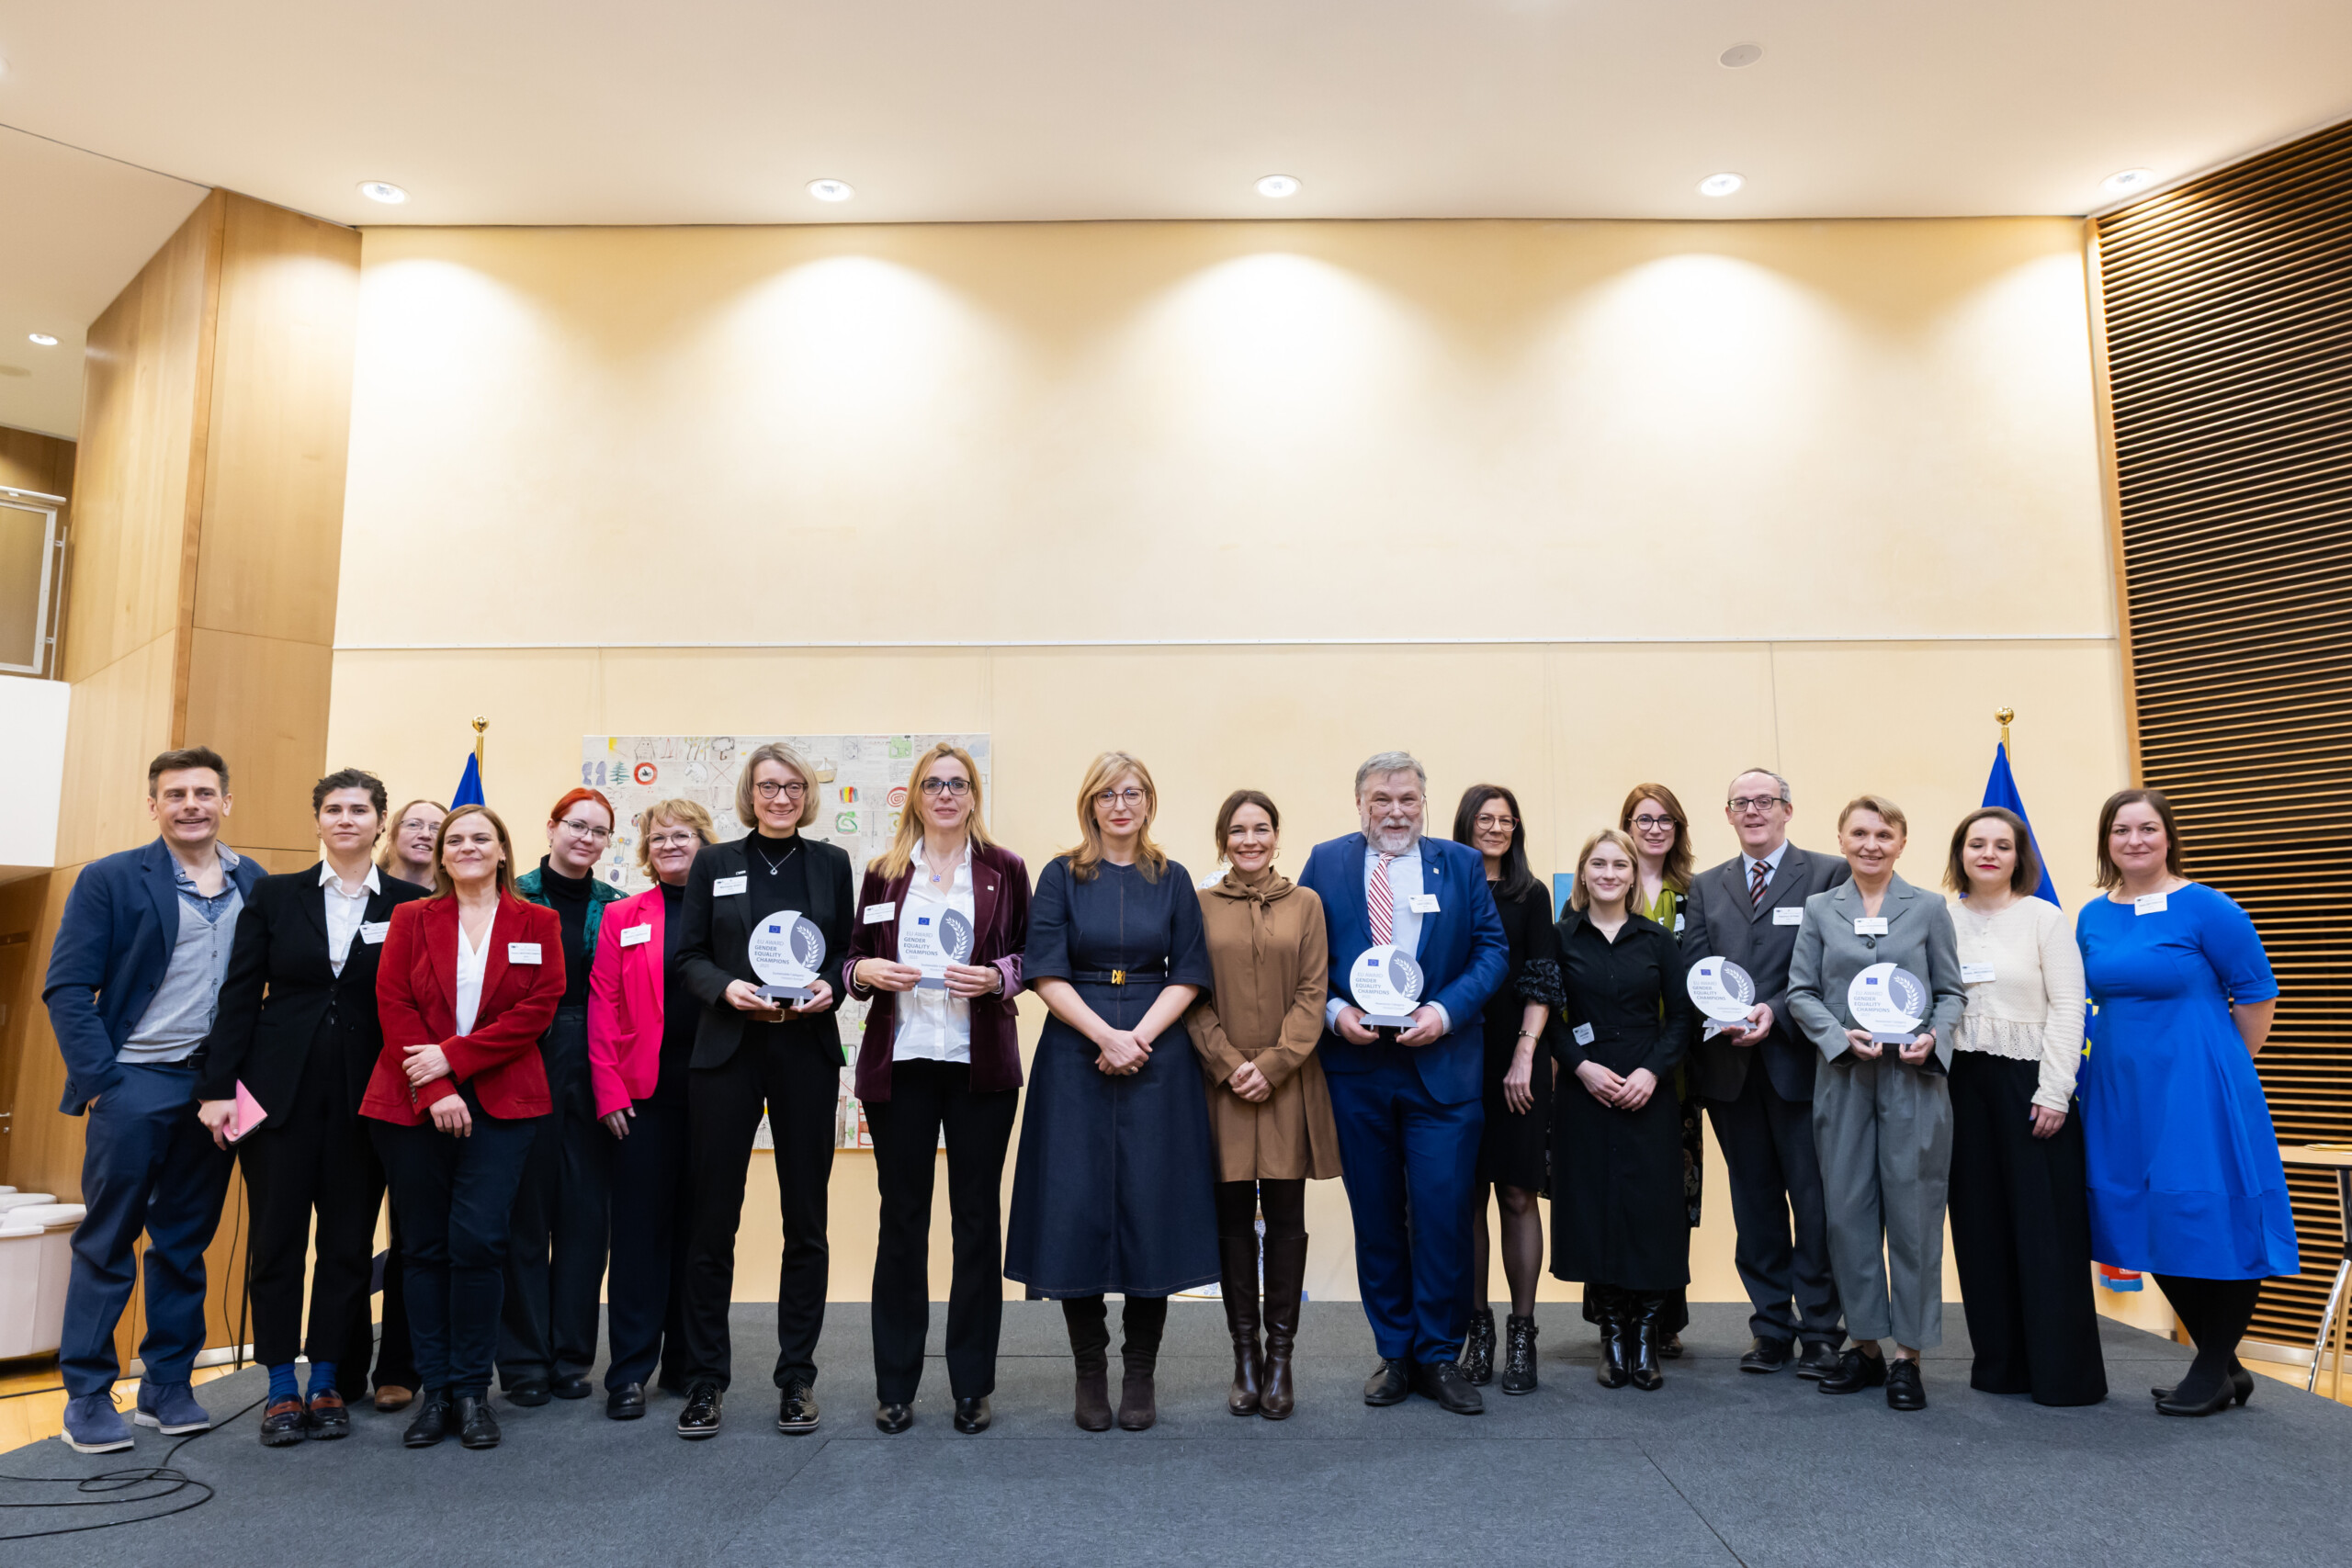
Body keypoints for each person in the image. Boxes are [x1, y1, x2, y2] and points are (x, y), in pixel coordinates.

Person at [196, 768, 430, 1446]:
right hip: (274, 1100)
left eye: (361, 808)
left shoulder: (410, 905)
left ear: (380, 821)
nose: (347, 818)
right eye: (334, 808)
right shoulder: (274, 895)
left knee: (347, 1246)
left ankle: (327, 1379)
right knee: (275, 1242)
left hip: (370, 1101)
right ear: (318, 820)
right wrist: (217, 1092)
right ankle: (278, 1384)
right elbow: (239, 997)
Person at [43, 747, 266, 1454]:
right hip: (133, 1080)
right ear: (154, 806)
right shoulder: (110, 878)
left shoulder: (255, 881)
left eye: (204, 791)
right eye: (175, 794)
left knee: (183, 1242)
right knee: (108, 1241)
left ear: (226, 801)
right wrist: (106, 1080)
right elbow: (68, 987)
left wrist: (234, 1086)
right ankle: (85, 1391)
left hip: (216, 1090)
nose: (191, 803)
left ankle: (166, 1382)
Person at [1006, 752, 1216, 1433]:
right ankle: (1090, 1368)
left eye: (1132, 793)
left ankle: (1141, 1370)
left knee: (1152, 1205)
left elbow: (1187, 971)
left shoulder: (1174, 878)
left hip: (1158, 1050)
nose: (1120, 804)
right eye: (1107, 794)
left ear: (1148, 802)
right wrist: (1105, 1035)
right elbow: (1044, 969)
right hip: (1076, 1048)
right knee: (1075, 1206)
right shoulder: (1060, 875)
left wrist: (1139, 1038)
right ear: (1090, 803)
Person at [1297, 751, 1507, 1417]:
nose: (1395, 811)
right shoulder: (1326, 862)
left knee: (1443, 1217)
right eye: (1382, 798)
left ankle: (1438, 1355)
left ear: (1425, 802)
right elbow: (1304, 957)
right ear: (1361, 803)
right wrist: (1335, 1012)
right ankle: (1393, 1350)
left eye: (1408, 799)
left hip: (1441, 1070)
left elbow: (1492, 950)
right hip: (1358, 1071)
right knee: (1379, 1216)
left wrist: (1443, 1012)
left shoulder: (1460, 863)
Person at [2076, 787, 2294, 1417]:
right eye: (2121, 830)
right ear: (2107, 841)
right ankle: (2223, 1363)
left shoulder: (2210, 908)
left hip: (2198, 1085)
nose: (2135, 840)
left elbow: (2256, 996)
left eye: (2148, 828)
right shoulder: (2093, 915)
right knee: (2142, 1217)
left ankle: (2208, 1365)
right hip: (2119, 1090)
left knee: (2211, 1216)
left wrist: (2223, 1071)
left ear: (2169, 836)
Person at [363, 805, 564, 1450]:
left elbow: (540, 1007)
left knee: (478, 1242)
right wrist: (438, 1084)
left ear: (504, 850)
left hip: (504, 1103)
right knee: (421, 1247)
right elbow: (393, 1003)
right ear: (441, 856)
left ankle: (475, 1391)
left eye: (482, 837)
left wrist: (455, 1056)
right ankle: (438, 1391)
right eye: (456, 840)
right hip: (413, 1102)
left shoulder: (541, 921)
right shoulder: (409, 917)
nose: (468, 847)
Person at [843, 744, 1030, 1437]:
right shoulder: (886, 872)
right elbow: (848, 956)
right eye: (932, 783)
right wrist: (868, 972)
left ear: (974, 795)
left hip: (978, 1064)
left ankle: (972, 1384)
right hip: (904, 1062)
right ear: (915, 796)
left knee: (977, 1223)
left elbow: (1031, 953)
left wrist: (998, 977)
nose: (946, 793)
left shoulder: (1005, 869)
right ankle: (895, 1384)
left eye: (957, 783)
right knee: (902, 1222)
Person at [673, 743, 855, 1440]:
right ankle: (705, 1380)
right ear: (749, 794)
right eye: (767, 786)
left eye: (792, 786)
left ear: (807, 795)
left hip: (805, 1050)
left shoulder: (831, 864)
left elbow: (842, 951)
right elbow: (689, 955)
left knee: (805, 1220)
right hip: (727, 1050)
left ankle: (797, 1377)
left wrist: (829, 985)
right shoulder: (715, 863)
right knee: (712, 1220)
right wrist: (727, 989)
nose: (779, 796)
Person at [1785, 795, 1966, 1411]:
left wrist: (1934, 1036)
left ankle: (1908, 1357)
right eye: (1859, 832)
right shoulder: (1818, 909)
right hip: (1844, 1077)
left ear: (1901, 842)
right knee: (1848, 1214)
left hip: (1913, 1080)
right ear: (1840, 839)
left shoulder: (1929, 908)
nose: (1870, 843)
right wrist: (1839, 1036)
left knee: (1914, 1217)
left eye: (1883, 833)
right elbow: (1800, 991)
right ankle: (1863, 1345)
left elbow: (1950, 992)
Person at [1678, 767, 1849, 1378]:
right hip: (1729, 1070)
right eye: (1741, 802)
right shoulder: (1706, 884)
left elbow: (1835, 964)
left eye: (1764, 801)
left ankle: (1823, 1329)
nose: (1753, 810)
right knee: (1754, 1207)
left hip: (1800, 1065)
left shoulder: (1828, 873)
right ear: (1728, 814)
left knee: (1815, 1203)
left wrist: (1771, 1013)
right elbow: (1695, 963)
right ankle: (1771, 1327)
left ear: (1787, 809)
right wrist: (1720, 1014)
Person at [1942, 807, 2105, 1405]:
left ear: (2018, 855)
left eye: (2001, 845)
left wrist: (2055, 1089)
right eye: (1977, 843)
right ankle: (2000, 1367)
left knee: (2046, 1231)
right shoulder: (1940, 918)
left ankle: (2063, 1375)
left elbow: (2069, 1006)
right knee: (1979, 1226)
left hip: (2032, 1085)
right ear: (1960, 852)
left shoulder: (2044, 918)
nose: (1988, 853)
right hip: (1960, 1083)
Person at [1185, 789, 1339, 1420]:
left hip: (1286, 1082)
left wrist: (1271, 1065)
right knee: (1229, 1224)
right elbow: (1189, 992)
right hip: (1220, 1082)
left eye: (1262, 828)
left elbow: (1314, 992)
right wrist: (1228, 1064)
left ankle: (1281, 1360)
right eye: (1238, 830)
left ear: (1278, 836)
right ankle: (1243, 1358)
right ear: (1223, 839)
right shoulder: (1195, 905)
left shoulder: (1306, 904)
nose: (1250, 839)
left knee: (1285, 1221)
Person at [587, 797, 718, 1420]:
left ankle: (691, 1365)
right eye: (659, 836)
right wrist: (608, 1089)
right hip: (639, 1095)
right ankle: (629, 1369)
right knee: (639, 1233)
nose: (670, 844)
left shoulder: (728, 912)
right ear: (646, 848)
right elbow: (602, 1006)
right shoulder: (623, 915)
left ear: (705, 842)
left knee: (701, 1233)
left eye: (683, 834)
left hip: (716, 1091)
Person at [1551, 829, 1693, 1392]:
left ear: (1635, 875)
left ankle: (1645, 1336)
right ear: (1583, 874)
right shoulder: (1561, 938)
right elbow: (1548, 1019)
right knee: (1594, 1206)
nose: (1609, 873)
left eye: (1620, 865)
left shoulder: (1658, 941)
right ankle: (1611, 1335)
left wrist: (1652, 1073)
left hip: (1646, 1086)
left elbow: (1681, 1018)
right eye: (1598, 864)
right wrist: (1580, 1067)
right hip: (1585, 1088)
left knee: (1652, 1209)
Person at [500, 788, 627, 1404]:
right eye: (577, 825)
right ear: (551, 827)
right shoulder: (512, 895)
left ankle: (571, 1356)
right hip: (525, 1055)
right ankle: (523, 1360)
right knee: (525, 1214)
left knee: (585, 1216)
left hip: (598, 1059)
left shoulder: (620, 908)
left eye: (600, 831)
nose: (587, 838)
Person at [1451, 784, 1561, 1394]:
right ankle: (1479, 1332)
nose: (1496, 828)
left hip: (1518, 1058)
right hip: (1454, 1059)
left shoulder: (1531, 893)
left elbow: (1543, 978)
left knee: (1518, 1195)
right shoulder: (1445, 889)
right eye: (1486, 818)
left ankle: (1522, 1335)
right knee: (1465, 1198)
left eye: (1507, 820)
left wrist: (1525, 1053)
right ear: (1465, 823)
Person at [366, 795, 446, 1408]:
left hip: (430, 1081)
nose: (425, 833)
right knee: (346, 1236)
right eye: (413, 823)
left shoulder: (456, 908)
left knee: (416, 1234)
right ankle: (333, 1371)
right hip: (360, 1080)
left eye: (437, 827)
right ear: (390, 834)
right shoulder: (359, 896)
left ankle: (401, 1365)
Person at [1620, 783, 1702, 1358]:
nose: (1654, 828)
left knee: (1674, 1192)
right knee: (1619, 1190)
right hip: (1611, 1067)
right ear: (1626, 824)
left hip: (1678, 1066)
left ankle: (1664, 1316)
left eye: (1665, 820)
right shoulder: (1599, 886)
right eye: (1643, 818)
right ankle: (1615, 1313)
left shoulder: (1699, 895)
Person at [379, 799, 448, 888]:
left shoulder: (459, 898)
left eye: (437, 829)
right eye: (413, 825)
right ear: (390, 837)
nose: (425, 834)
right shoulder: (365, 887)